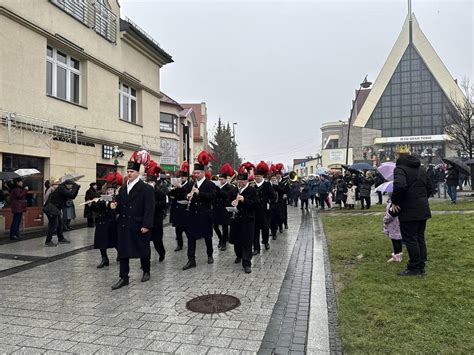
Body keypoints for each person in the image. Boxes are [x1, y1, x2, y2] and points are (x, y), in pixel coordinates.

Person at [110, 158, 155, 290]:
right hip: (124, 224)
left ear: (138, 173)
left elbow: (149, 208)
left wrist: (146, 225)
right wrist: (113, 206)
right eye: (128, 171)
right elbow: (119, 204)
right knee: (123, 251)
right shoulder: (123, 188)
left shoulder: (146, 189)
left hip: (139, 224)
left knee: (143, 249)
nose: (129, 173)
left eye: (131, 171)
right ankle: (124, 277)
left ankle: (146, 270)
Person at [391, 145, 433, 276]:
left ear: (398, 156)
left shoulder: (400, 169)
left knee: (411, 239)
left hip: (409, 210)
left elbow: (400, 185)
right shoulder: (421, 169)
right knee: (420, 237)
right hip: (422, 208)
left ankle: (414, 267)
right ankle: (421, 266)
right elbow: (430, 187)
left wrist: (395, 201)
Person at [182, 151, 216, 270]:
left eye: (197, 173)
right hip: (192, 214)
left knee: (207, 236)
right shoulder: (191, 184)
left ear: (203, 173)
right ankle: (191, 260)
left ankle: (210, 255)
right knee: (191, 238)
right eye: (194, 173)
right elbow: (183, 193)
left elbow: (212, 197)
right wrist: (187, 196)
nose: (195, 174)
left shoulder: (210, 184)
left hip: (205, 214)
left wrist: (199, 193)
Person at [230, 164, 258, 273]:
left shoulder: (252, 191)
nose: (239, 183)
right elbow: (228, 201)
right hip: (236, 219)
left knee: (247, 241)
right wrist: (231, 203)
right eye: (238, 181)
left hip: (247, 220)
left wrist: (244, 200)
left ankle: (247, 263)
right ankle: (238, 255)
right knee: (236, 240)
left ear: (246, 181)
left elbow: (256, 204)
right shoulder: (234, 191)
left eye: (242, 182)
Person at [91, 172, 122, 269]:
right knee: (101, 242)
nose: (110, 191)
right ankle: (104, 259)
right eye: (108, 189)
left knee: (115, 241)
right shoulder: (101, 198)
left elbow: (119, 209)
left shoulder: (117, 198)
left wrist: (113, 206)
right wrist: (92, 205)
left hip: (112, 222)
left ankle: (120, 254)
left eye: (111, 189)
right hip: (101, 222)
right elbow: (97, 208)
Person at [43, 178, 80, 246]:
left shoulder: (63, 188)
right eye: (72, 185)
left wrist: (77, 189)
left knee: (60, 223)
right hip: (51, 207)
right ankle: (48, 241)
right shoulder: (61, 188)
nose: (72, 187)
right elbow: (71, 194)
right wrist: (76, 187)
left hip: (55, 208)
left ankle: (61, 238)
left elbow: (72, 196)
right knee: (53, 224)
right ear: (68, 185)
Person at [168, 162, 192, 252]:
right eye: (180, 177)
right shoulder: (177, 184)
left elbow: (187, 194)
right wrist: (173, 188)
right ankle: (179, 245)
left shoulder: (189, 185)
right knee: (178, 230)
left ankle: (191, 243)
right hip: (176, 210)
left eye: (183, 177)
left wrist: (180, 187)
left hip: (184, 210)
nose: (181, 179)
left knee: (186, 229)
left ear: (186, 178)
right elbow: (170, 194)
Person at [253, 161, 276, 254]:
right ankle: (256, 248)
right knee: (255, 230)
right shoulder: (252, 185)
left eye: (258, 176)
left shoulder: (267, 185)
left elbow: (273, 198)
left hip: (264, 212)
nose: (256, 178)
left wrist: (270, 206)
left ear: (262, 176)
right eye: (255, 176)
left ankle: (266, 241)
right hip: (254, 211)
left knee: (265, 229)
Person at [146, 163, 167, 263]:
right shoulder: (144, 192)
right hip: (146, 219)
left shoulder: (160, 192)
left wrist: (153, 204)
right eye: (148, 182)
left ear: (154, 183)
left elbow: (163, 204)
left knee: (157, 241)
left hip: (156, 219)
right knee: (145, 241)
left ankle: (162, 253)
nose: (150, 183)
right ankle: (146, 260)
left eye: (151, 182)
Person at [213, 163, 236, 251]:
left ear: (226, 180)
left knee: (225, 227)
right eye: (219, 179)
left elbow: (227, 196)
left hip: (225, 209)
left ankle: (223, 243)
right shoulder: (216, 187)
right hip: (216, 209)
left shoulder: (230, 187)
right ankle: (221, 238)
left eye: (222, 179)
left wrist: (218, 190)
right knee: (215, 226)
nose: (220, 181)